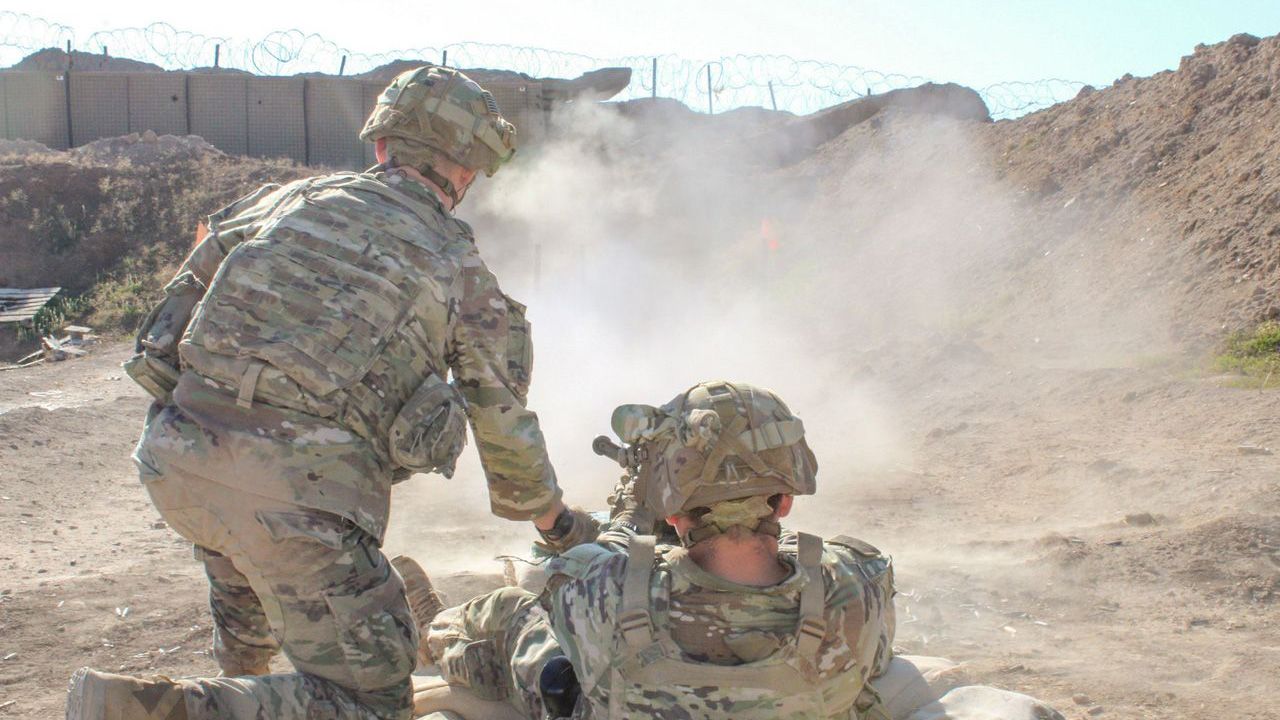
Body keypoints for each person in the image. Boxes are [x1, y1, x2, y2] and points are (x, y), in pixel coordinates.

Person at [66, 66, 594, 720]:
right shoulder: (457, 263)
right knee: (374, 699)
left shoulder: (283, 201)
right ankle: (153, 710)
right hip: (300, 500)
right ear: (465, 170)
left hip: (176, 456)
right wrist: (556, 523)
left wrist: (209, 423)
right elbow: (501, 421)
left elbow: (164, 334)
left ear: (381, 144)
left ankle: (240, 679)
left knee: (244, 550)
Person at [413, 380, 900, 719]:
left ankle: (434, 635)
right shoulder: (852, 585)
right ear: (786, 500)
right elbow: (869, 646)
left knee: (516, 615)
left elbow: (597, 560)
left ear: (672, 512)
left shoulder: (604, 592)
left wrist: (632, 513)